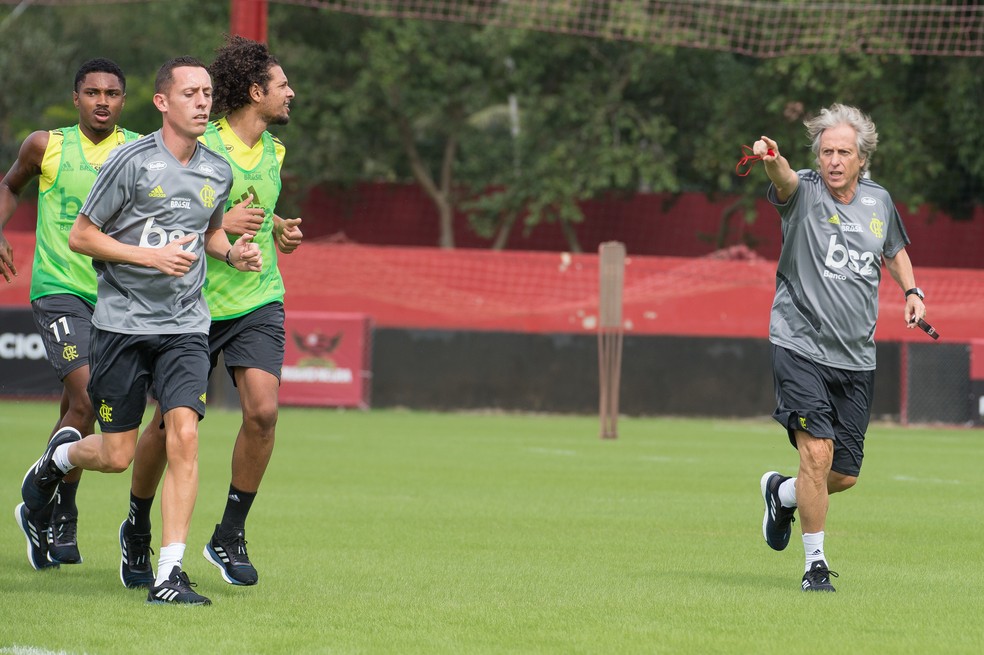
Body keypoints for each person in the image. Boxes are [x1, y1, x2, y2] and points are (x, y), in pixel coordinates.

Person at [18, 55, 262, 605]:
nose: (202, 102)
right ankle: (55, 462)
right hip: (122, 325)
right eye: (190, 93)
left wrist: (234, 252)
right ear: (162, 102)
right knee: (116, 455)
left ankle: (169, 573)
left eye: (207, 93)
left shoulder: (217, 169)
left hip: (185, 327)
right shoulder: (129, 162)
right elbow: (82, 237)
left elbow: (210, 235)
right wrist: (147, 259)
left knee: (185, 433)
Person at [119, 35, 302, 590]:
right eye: (282, 86)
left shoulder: (274, 150)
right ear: (254, 92)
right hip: (194, 306)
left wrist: (276, 230)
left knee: (264, 413)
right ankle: (136, 525)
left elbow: (252, 208)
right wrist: (224, 233)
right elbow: (183, 213)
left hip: (258, 299)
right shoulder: (204, 146)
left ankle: (230, 533)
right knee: (166, 427)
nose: (292, 93)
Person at [753, 103, 927, 592]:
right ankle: (815, 566)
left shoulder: (878, 202)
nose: (832, 160)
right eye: (826, 151)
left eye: (843, 152)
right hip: (799, 343)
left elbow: (894, 251)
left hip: (856, 356)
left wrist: (912, 292)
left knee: (843, 474)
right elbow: (783, 178)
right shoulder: (803, 191)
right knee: (816, 454)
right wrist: (771, 158)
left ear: (861, 158)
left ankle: (781, 494)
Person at [2, 58, 140, 570]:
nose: (102, 100)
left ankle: (47, 504)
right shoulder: (46, 145)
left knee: (74, 410)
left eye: (112, 93)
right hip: (59, 289)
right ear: (76, 97)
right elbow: (9, 185)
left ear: (124, 101)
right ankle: (59, 511)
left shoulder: (140, 151)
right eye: (92, 92)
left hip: (115, 299)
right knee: (88, 397)